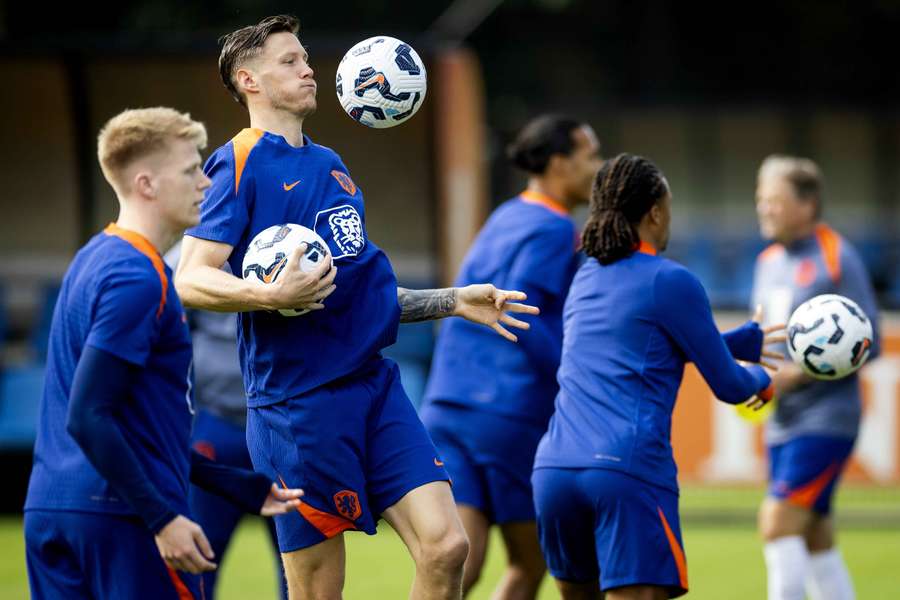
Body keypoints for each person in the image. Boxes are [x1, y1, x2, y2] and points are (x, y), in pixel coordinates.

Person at [173, 15, 538, 600]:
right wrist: (269, 294)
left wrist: (452, 301)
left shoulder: (331, 166)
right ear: (249, 81)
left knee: (447, 548)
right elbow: (189, 279)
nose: (308, 68)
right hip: (299, 407)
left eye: (305, 58)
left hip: (373, 388)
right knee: (319, 592)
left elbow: (359, 296)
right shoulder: (236, 162)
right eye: (289, 61)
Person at [23, 107, 303, 600]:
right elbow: (88, 416)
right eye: (191, 170)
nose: (206, 183)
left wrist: (235, 484)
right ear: (147, 184)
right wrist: (163, 518)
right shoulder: (138, 278)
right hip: (119, 519)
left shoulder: (92, 257)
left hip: (53, 511)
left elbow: (136, 425)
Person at [531, 153, 783, 600]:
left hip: (555, 472)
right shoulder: (671, 280)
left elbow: (639, 356)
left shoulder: (586, 276)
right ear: (655, 211)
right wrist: (762, 380)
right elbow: (728, 386)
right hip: (624, 471)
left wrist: (736, 342)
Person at [420, 114, 601, 598]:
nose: (598, 168)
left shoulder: (506, 215)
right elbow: (527, 316)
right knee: (531, 561)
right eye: (591, 156)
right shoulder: (553, 228)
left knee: (459, 559)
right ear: (560, 163)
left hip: (449, 403)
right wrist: (578, 382)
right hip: (508, 411)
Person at [751, 155, 880, 600]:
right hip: (782, 420)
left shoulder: (836, 257)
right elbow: (762, 338)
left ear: (807, 204)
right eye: (760, 200)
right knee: (815, 536)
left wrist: (799, 374)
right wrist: (759, 379)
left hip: (827, 419)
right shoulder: (766, 261)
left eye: (774, 200)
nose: (764, 209)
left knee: (777, 523)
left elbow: (871, 342)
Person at [164, 242, 287, 599]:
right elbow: (169, 334)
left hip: (280, 427)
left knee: (295, 553)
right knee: (201, 549)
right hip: (216, 422)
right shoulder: (188, 255)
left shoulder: (290, 238)